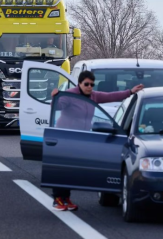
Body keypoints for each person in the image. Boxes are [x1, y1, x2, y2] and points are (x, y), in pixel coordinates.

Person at [49, 71, 144, 211]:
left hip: (82, 138)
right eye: (86, 84)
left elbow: (111, 95)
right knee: (63, 169)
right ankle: (57, 198)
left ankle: (66, 198)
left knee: (73, 171)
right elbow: (58, 106)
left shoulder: (94, 96)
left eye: (92, 84)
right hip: (66, 137)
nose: (89, 87)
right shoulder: (70, 95)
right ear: (79, 83)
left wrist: (130, 91)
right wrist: (55, 97)